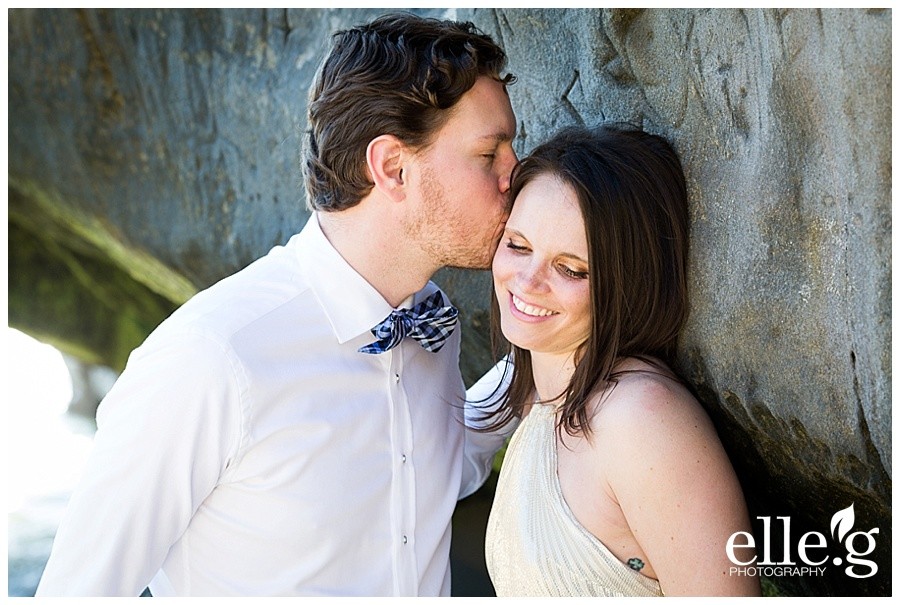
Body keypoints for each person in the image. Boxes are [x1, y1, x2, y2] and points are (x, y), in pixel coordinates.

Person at [36, 13, 518, 596]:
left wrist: (546, 357)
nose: (515, 175)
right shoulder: (212, 357)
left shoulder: (432, 323)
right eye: (490, 154)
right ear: (393, 167)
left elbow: (435, 467)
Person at [465, 125, 761, 596]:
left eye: (571, 269)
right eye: (518, 245)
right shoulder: (537, 387)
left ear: (626, 282)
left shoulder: (640, 420)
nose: (527, 280)